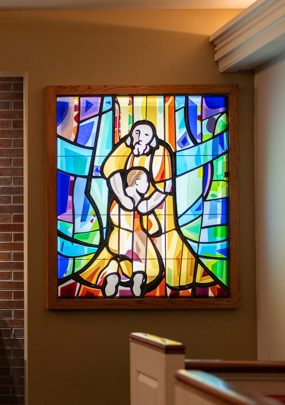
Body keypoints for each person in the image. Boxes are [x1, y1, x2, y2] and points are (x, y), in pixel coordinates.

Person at [79, 120, 201, 297]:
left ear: (152, 139)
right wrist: (122, 197)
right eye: (136, 133)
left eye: (144, 135)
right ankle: (133, 275)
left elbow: (165, 186)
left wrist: (148, 203)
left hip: (155, 210)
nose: (139, 138)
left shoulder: (162, 151)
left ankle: (115, 274)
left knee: (130, 254)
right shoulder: (126, 146)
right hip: (132, 218)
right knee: (139, 256)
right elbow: (110, 168)